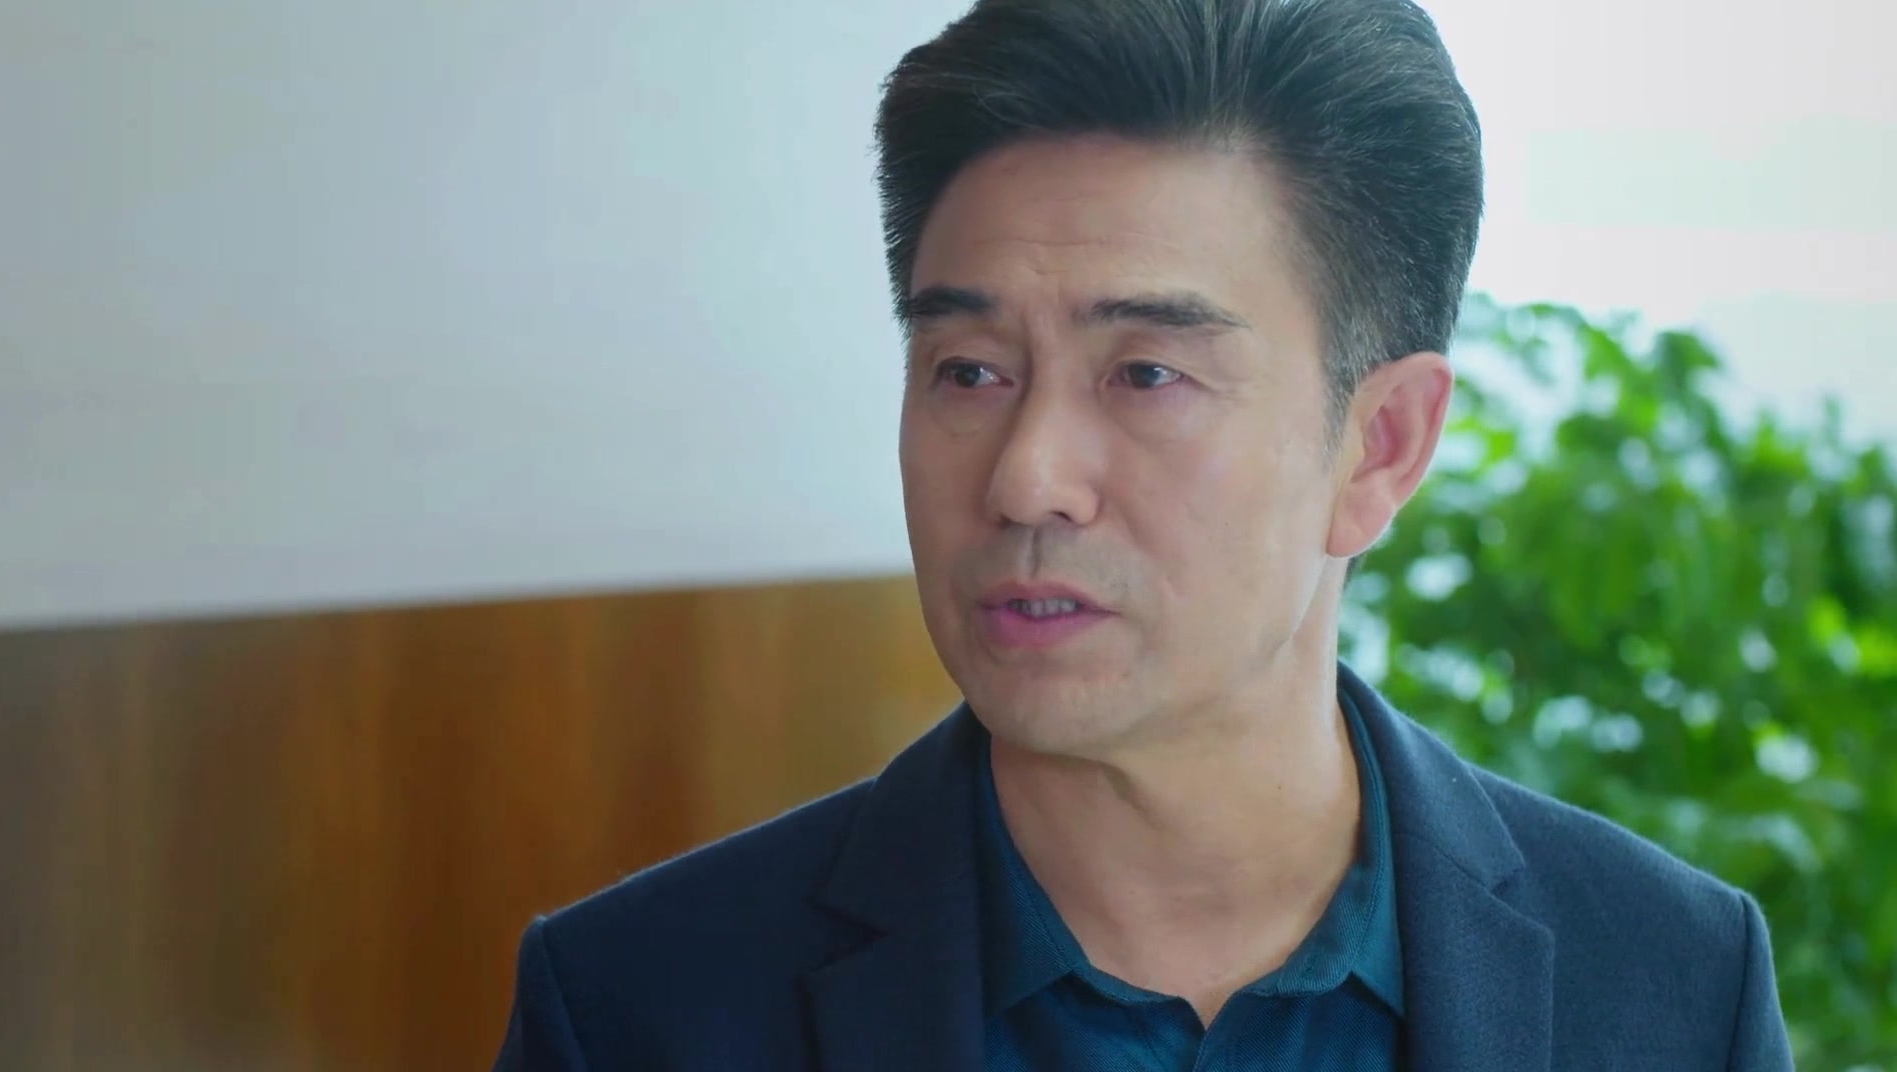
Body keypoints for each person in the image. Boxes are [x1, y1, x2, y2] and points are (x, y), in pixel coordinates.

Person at [492, 0, 1793, 1068]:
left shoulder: (1677, 986)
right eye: (969, 370)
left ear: (1382, 446)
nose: (1027, 480)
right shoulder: (634, 1010)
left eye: (1147, 374)